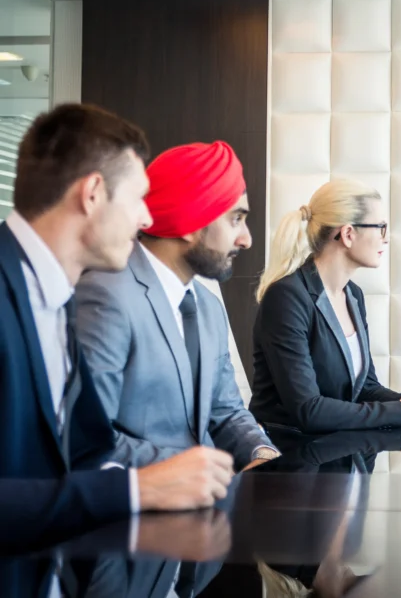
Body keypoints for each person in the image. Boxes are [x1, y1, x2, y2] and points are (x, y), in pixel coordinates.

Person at [0, 104, 236, 548]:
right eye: (138, 198)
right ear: (92, 194)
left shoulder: (59, 298)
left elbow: (81, 452)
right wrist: (136, 489)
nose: (147, 218)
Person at [73, 141, 278, 472]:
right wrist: (194, 468)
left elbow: (226, 411)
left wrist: (261, 452)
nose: (245, 239)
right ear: (190, 222)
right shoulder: (105, 296)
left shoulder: (209, 307)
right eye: (236, 219)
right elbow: (89, 438)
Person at [250, 178, 401, 433]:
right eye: (381, 227)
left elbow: (365, 389)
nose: (386, 238)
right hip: (288, 450)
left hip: (337, 447)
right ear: (348, 234)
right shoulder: (287, 297)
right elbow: (308, 409)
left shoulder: (353, 295)